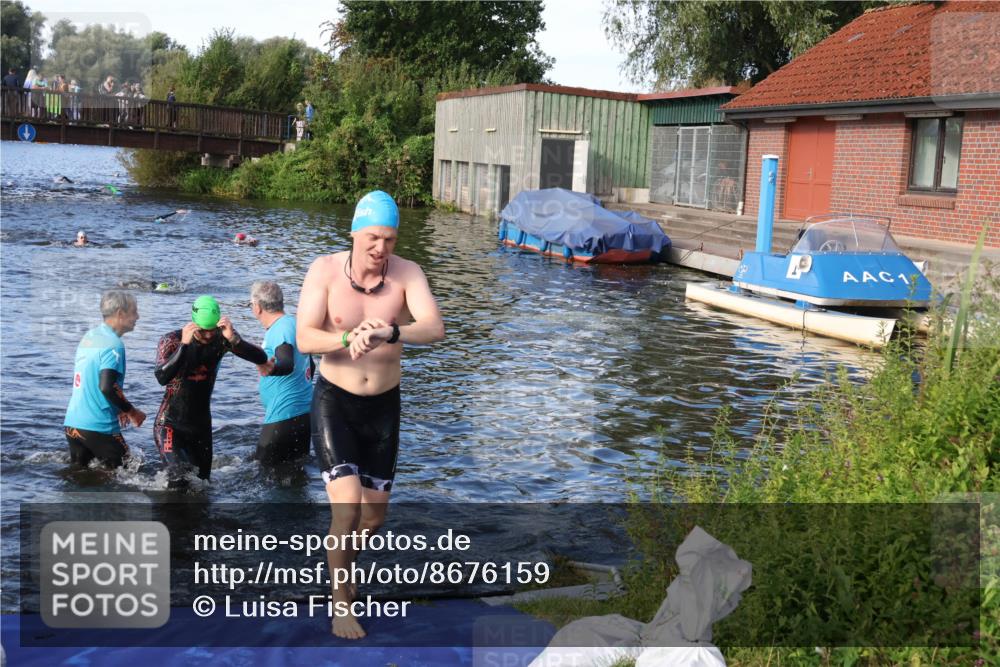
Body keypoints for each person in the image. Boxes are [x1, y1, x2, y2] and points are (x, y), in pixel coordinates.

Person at [297, 190, 445, 638]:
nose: (381, 249)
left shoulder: (407, 274)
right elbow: (304, 338)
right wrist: (347, 339)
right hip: (335, 403)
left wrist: (390, 331)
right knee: (347, 512)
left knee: (374, 520)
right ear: (355, 233)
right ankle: (341, 603)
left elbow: (434, 327)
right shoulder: (324, 271)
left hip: (383, 406)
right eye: (373, 239)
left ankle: (340, 565)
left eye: (390, 240)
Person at [153, 295, 267, 485]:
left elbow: (261, 358)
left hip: (201, 426)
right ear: (194, 324)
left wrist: (234, 339)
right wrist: (184, 346)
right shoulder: (172, 340)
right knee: (177, 477)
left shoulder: (223, 338)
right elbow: (161, 377)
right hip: (170, 424)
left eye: (212, 330)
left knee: (203, 484)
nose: (208, 335)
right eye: (203, 331)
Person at [63, 291, 145, 469]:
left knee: (80, 476)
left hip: (73, 424)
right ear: (120, 313)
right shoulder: (114, 344)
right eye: (134, 311)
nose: (138, 316)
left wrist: (118, 407)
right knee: (130, 471)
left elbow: (91, 380)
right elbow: (107, 387)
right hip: (98, 426)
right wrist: (132, 412)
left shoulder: (90, 337)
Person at [249, 281, 314, 466]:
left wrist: (274, 369)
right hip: (303, 414)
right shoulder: (294, 323)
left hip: (283, 415)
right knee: (295, 473)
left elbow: (286, 362)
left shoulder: (280, 329)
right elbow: (310, 366)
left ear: (257, 307)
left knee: (261, 471)